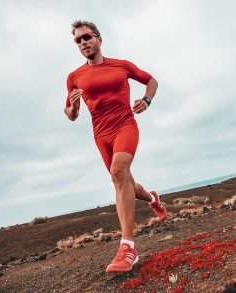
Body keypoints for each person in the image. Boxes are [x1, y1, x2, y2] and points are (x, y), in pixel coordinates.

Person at [64, 20, 167, 273]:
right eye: (78, 40)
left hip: (125, 126)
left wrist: (146, 100)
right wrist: (75, 107)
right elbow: (70, 113)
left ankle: (128, 248)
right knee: (126, 183)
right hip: (101, 135)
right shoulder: (74, 77)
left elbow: (151, 80)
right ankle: (153, 198)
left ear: (98, 39)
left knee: (118, 171)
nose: (83, 43)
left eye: (86, 37)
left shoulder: (121, 65)